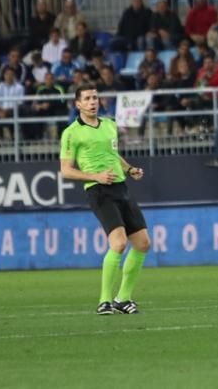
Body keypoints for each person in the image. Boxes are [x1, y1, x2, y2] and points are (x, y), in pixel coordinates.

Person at [60, 85, 149, 315]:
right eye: (87, 99)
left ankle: (123, 298)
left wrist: (130, 170)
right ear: (77, 104)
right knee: (118, 243)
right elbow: (66, 171)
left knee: (143, 243)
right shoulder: (71, 132)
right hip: (98, 190)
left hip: (121, 187)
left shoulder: (109, 125)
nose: (92, 102)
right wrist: (95, 176)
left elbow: (113, 155)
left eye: (95, 97)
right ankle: (104, 301)